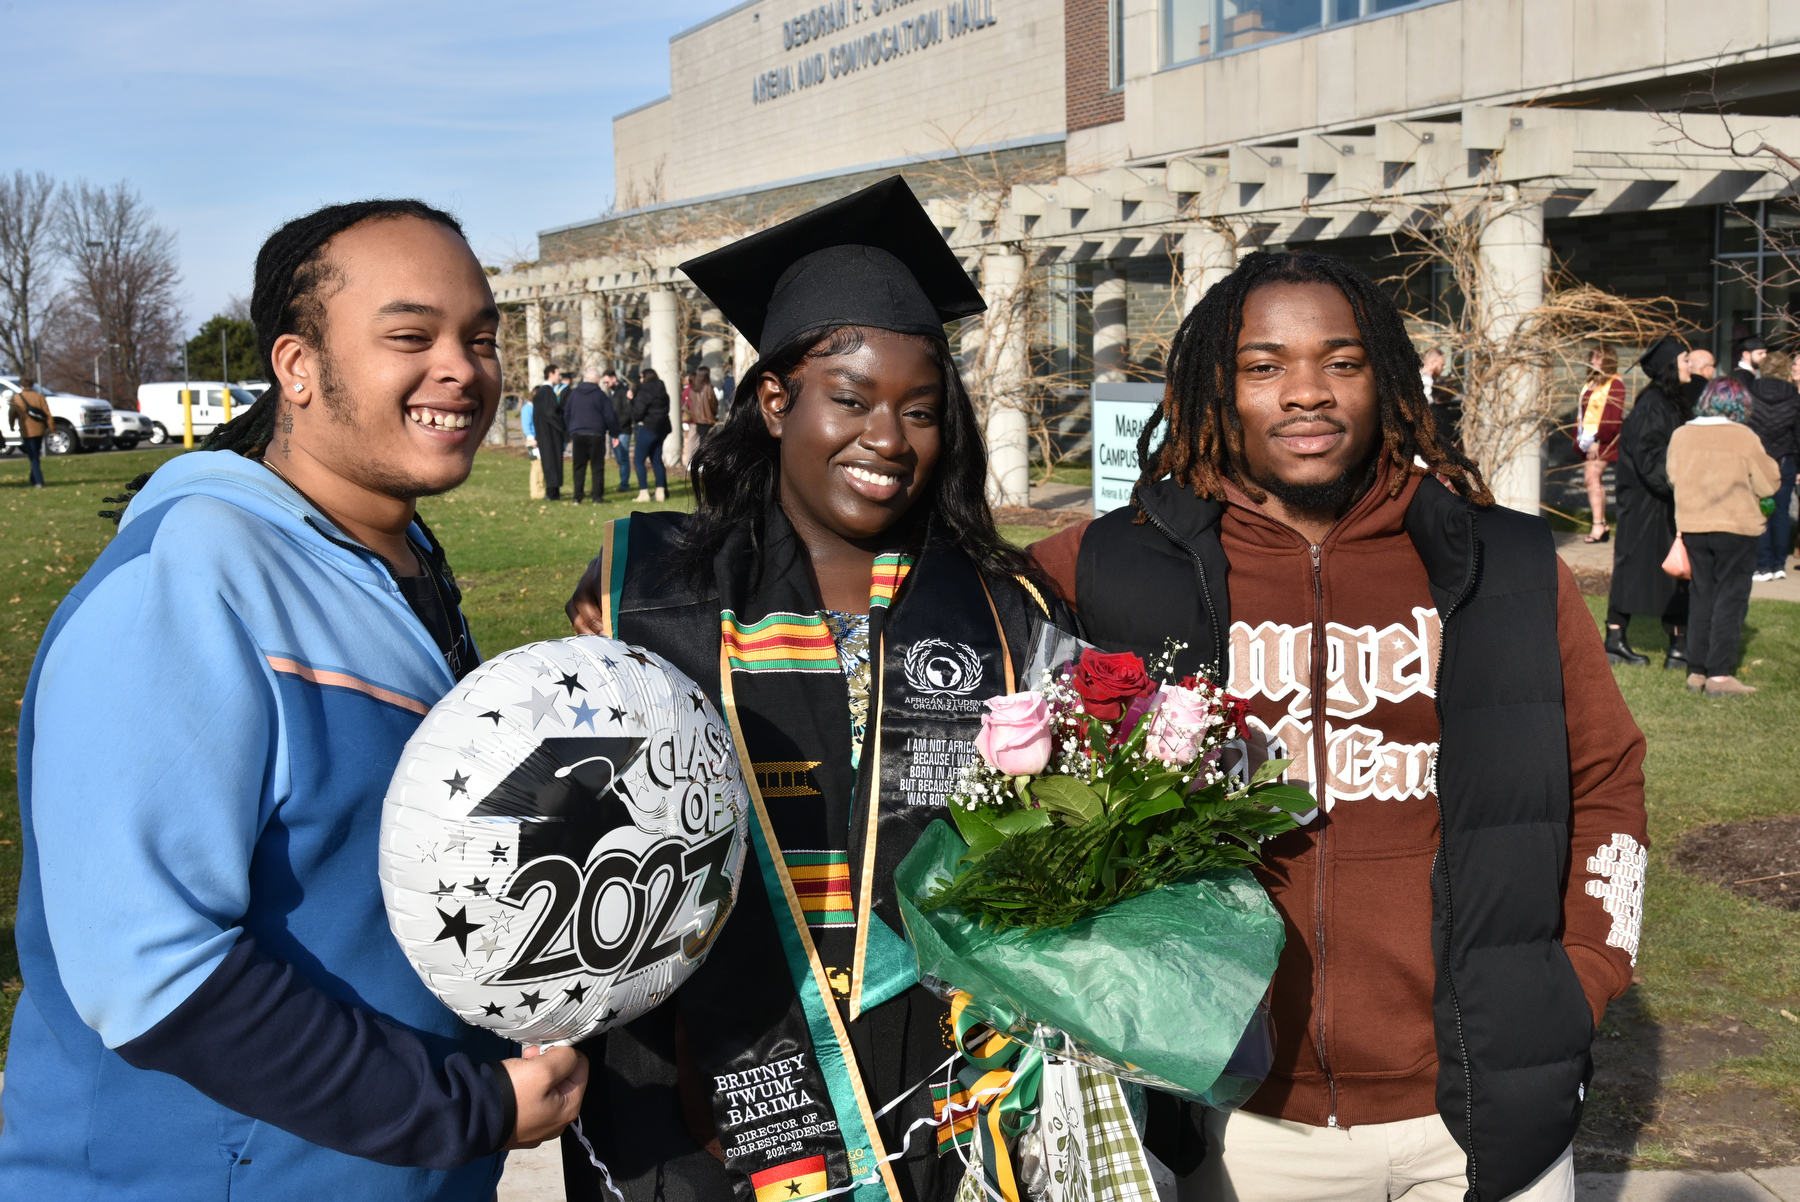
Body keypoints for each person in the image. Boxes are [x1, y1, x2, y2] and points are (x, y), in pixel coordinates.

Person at [0, 200, 589, 1198]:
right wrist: (465, 1107)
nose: (462, 366)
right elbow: (150, 970)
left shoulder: (393, 555)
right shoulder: (184, 584)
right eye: (411, 335)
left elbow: (378, 826)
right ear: (297, 366)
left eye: (479, 337)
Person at [1029, 250, 1646, 1202]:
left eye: (1342, 362)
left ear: (1388, 380)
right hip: (1239, 1121)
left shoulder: (1509, 565)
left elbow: (1606, 777)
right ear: (1218, 390)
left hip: (1479, 1114)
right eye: (1265, 365)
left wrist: (1585, 974)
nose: (1306, 393)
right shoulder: (1107, 567)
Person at [562, 176, 1072, 1202]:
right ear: (775, 397)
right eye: (851, 397)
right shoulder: (653, 592)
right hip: (709, 1081)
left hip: (945, 1089)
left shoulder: (1004, 611)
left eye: (921, 409)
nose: (888, 438)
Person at [1669, 377, 1780, 696]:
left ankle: (1696, 671)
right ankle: (1719, 675)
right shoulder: (1743, 437)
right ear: (1739, 404)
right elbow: (1768, 482)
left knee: (1701, 595)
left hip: (1694, 524)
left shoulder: (1681, 434)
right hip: (1736, 525)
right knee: (1730, 597)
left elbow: (1673, 477)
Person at [1606, 336, 1694, 668]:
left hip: (1661, 502)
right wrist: (1681, 486)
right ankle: (1615, 641)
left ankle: (1679, 645)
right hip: (1646, 505)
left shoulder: (1667, 401)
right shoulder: (1653, 405)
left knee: (1676, 572)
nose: (1690, 364)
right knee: (1634, 568)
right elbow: (1653, 458)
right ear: (1671, 366)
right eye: (1685, 359)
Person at [1748, 350, 1799, 581]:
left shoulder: (1749, 393)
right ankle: (1778, 564)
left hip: (1757, 459)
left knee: (1759, 510)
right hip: (1785, 459)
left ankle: (1763, 564)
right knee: (1780, 511)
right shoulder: (1795, 397)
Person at [1575, 342, 1626, 543]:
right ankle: (1602, 524)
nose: (1593, 361)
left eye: (1599, 358)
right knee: (1593, 480)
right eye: (1592, 357)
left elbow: (1613, 416)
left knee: (1591, 478)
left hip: (1603, 440)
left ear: (1608, 360)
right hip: (1587, 439)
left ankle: (1597, 525)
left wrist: (1598, 439)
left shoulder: (1615, 384)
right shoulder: (1591, 382)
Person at [564, 365, 621, 503]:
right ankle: (597, 497)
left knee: (578, 466)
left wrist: (570, 429)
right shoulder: (601, 395)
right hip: (596, 434)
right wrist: (614, 433)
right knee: (597, 467)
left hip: (578, 433)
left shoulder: (574, 394)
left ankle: (577, 497)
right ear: (597, 380)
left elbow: (567, 413)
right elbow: (610, 416)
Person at [627, 365, 670, 502]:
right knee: (657, 460)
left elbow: (637, 414)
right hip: (662, 428)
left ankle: (644, 493)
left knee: (638, 460)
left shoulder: (644, 391)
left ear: (645, 378)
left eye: (641, 377)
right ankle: (660, 492)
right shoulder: (663, 391)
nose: (640, 380)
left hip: (648, 428)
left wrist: (631, 400)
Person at [533, 364, 568, 499]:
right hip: (550, 435)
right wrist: (562, 428)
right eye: (558, 374)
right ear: (551, 374)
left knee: (550, 462)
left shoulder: (541, 392)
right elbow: (550, 414)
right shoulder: (547, 392)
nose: (560, 377)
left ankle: (553, 492)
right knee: (552, 462)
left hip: (544, 434)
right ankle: (552, 493)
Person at [8, 380, 51, 488]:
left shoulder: (17, 398)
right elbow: (47, 413)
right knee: (35, 454)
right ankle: (33, 479)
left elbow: (12, 413)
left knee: (33, 456)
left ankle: (38, 481)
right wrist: (52, 428)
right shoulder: (39, 396)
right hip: (39, 429)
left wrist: (12, 425)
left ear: (21, 385)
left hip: (26, 430)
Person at [604, 369, 633, 493]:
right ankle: (623, 483)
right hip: (615, 431)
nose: (605, 384)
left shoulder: (623, 391)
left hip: (622, 431)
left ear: (613, 378)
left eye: (607, 381)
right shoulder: (613, 393)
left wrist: (616, 428)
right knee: (619, 459)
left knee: (623, 459)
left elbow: (627, 412)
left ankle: (624, 485)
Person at [684, 365, 717, 461]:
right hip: (708, 419)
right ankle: (704, 463)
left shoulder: (694, 389)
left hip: (697, 420)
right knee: (708, 443)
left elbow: (691, 405)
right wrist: (715, 413)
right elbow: (713, 404)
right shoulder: (709, 387)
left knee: (700, 442)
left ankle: (698, 462)